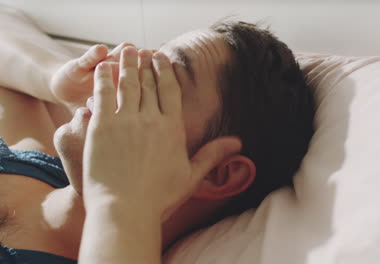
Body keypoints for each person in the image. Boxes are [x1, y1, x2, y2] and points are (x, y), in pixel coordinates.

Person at [0, 20, 315, 263]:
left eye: (163, 80)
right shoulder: (32, 165)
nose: (125, 66)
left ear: (218, 173)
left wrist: (120, 199)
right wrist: (55, 80)